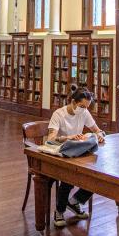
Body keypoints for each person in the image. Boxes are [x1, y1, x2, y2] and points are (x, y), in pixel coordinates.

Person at [46, 86, 105, 228]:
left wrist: (99, 135)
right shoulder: (59, 114)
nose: (84, 110)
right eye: (82, 106)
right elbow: (50, 139)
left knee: (97, 175)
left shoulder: (84, 113)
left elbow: (98, 130)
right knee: (68, 176)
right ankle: (59, 211)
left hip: (77, 152)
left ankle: (74, 201)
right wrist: (68, 137)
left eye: (86, 107)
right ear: (73, 102)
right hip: (60, 153)